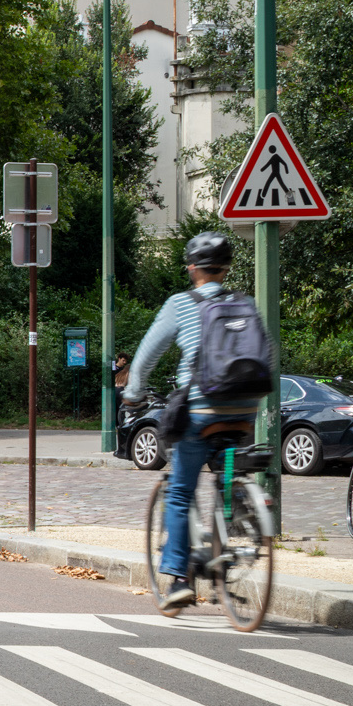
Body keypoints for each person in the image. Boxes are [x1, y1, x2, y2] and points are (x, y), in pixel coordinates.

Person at [125, 230, 263, 611]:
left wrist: (133, 393)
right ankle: (235, 515)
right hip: (244, 411)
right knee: (227, 466)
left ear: (192, 268)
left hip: (202, 411)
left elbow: (147, 355)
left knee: (181, 490)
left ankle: (180, 578)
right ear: (226, 268)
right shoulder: (245, 303)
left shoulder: (181, 304)